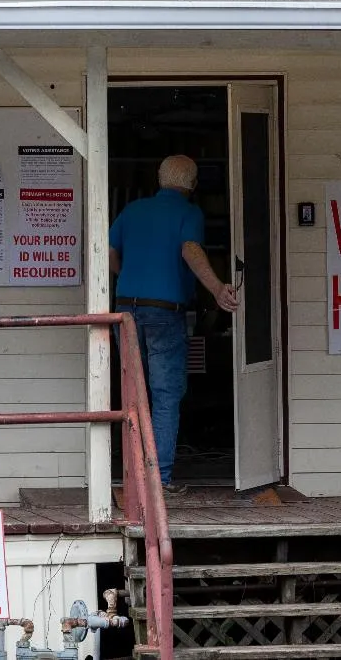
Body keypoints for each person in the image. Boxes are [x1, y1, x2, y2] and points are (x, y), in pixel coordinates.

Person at [109, 155, 239, 495]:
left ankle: (132, 476)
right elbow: (191, 249)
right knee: (165, 395)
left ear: (159, 178)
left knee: (134, 394)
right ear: (193, 184)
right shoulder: (189, 213)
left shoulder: (132, 210)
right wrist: (217, 289)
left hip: (126, 311)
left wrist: (131, 279)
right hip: (165, 313)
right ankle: (158, 479)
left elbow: (108, 252)